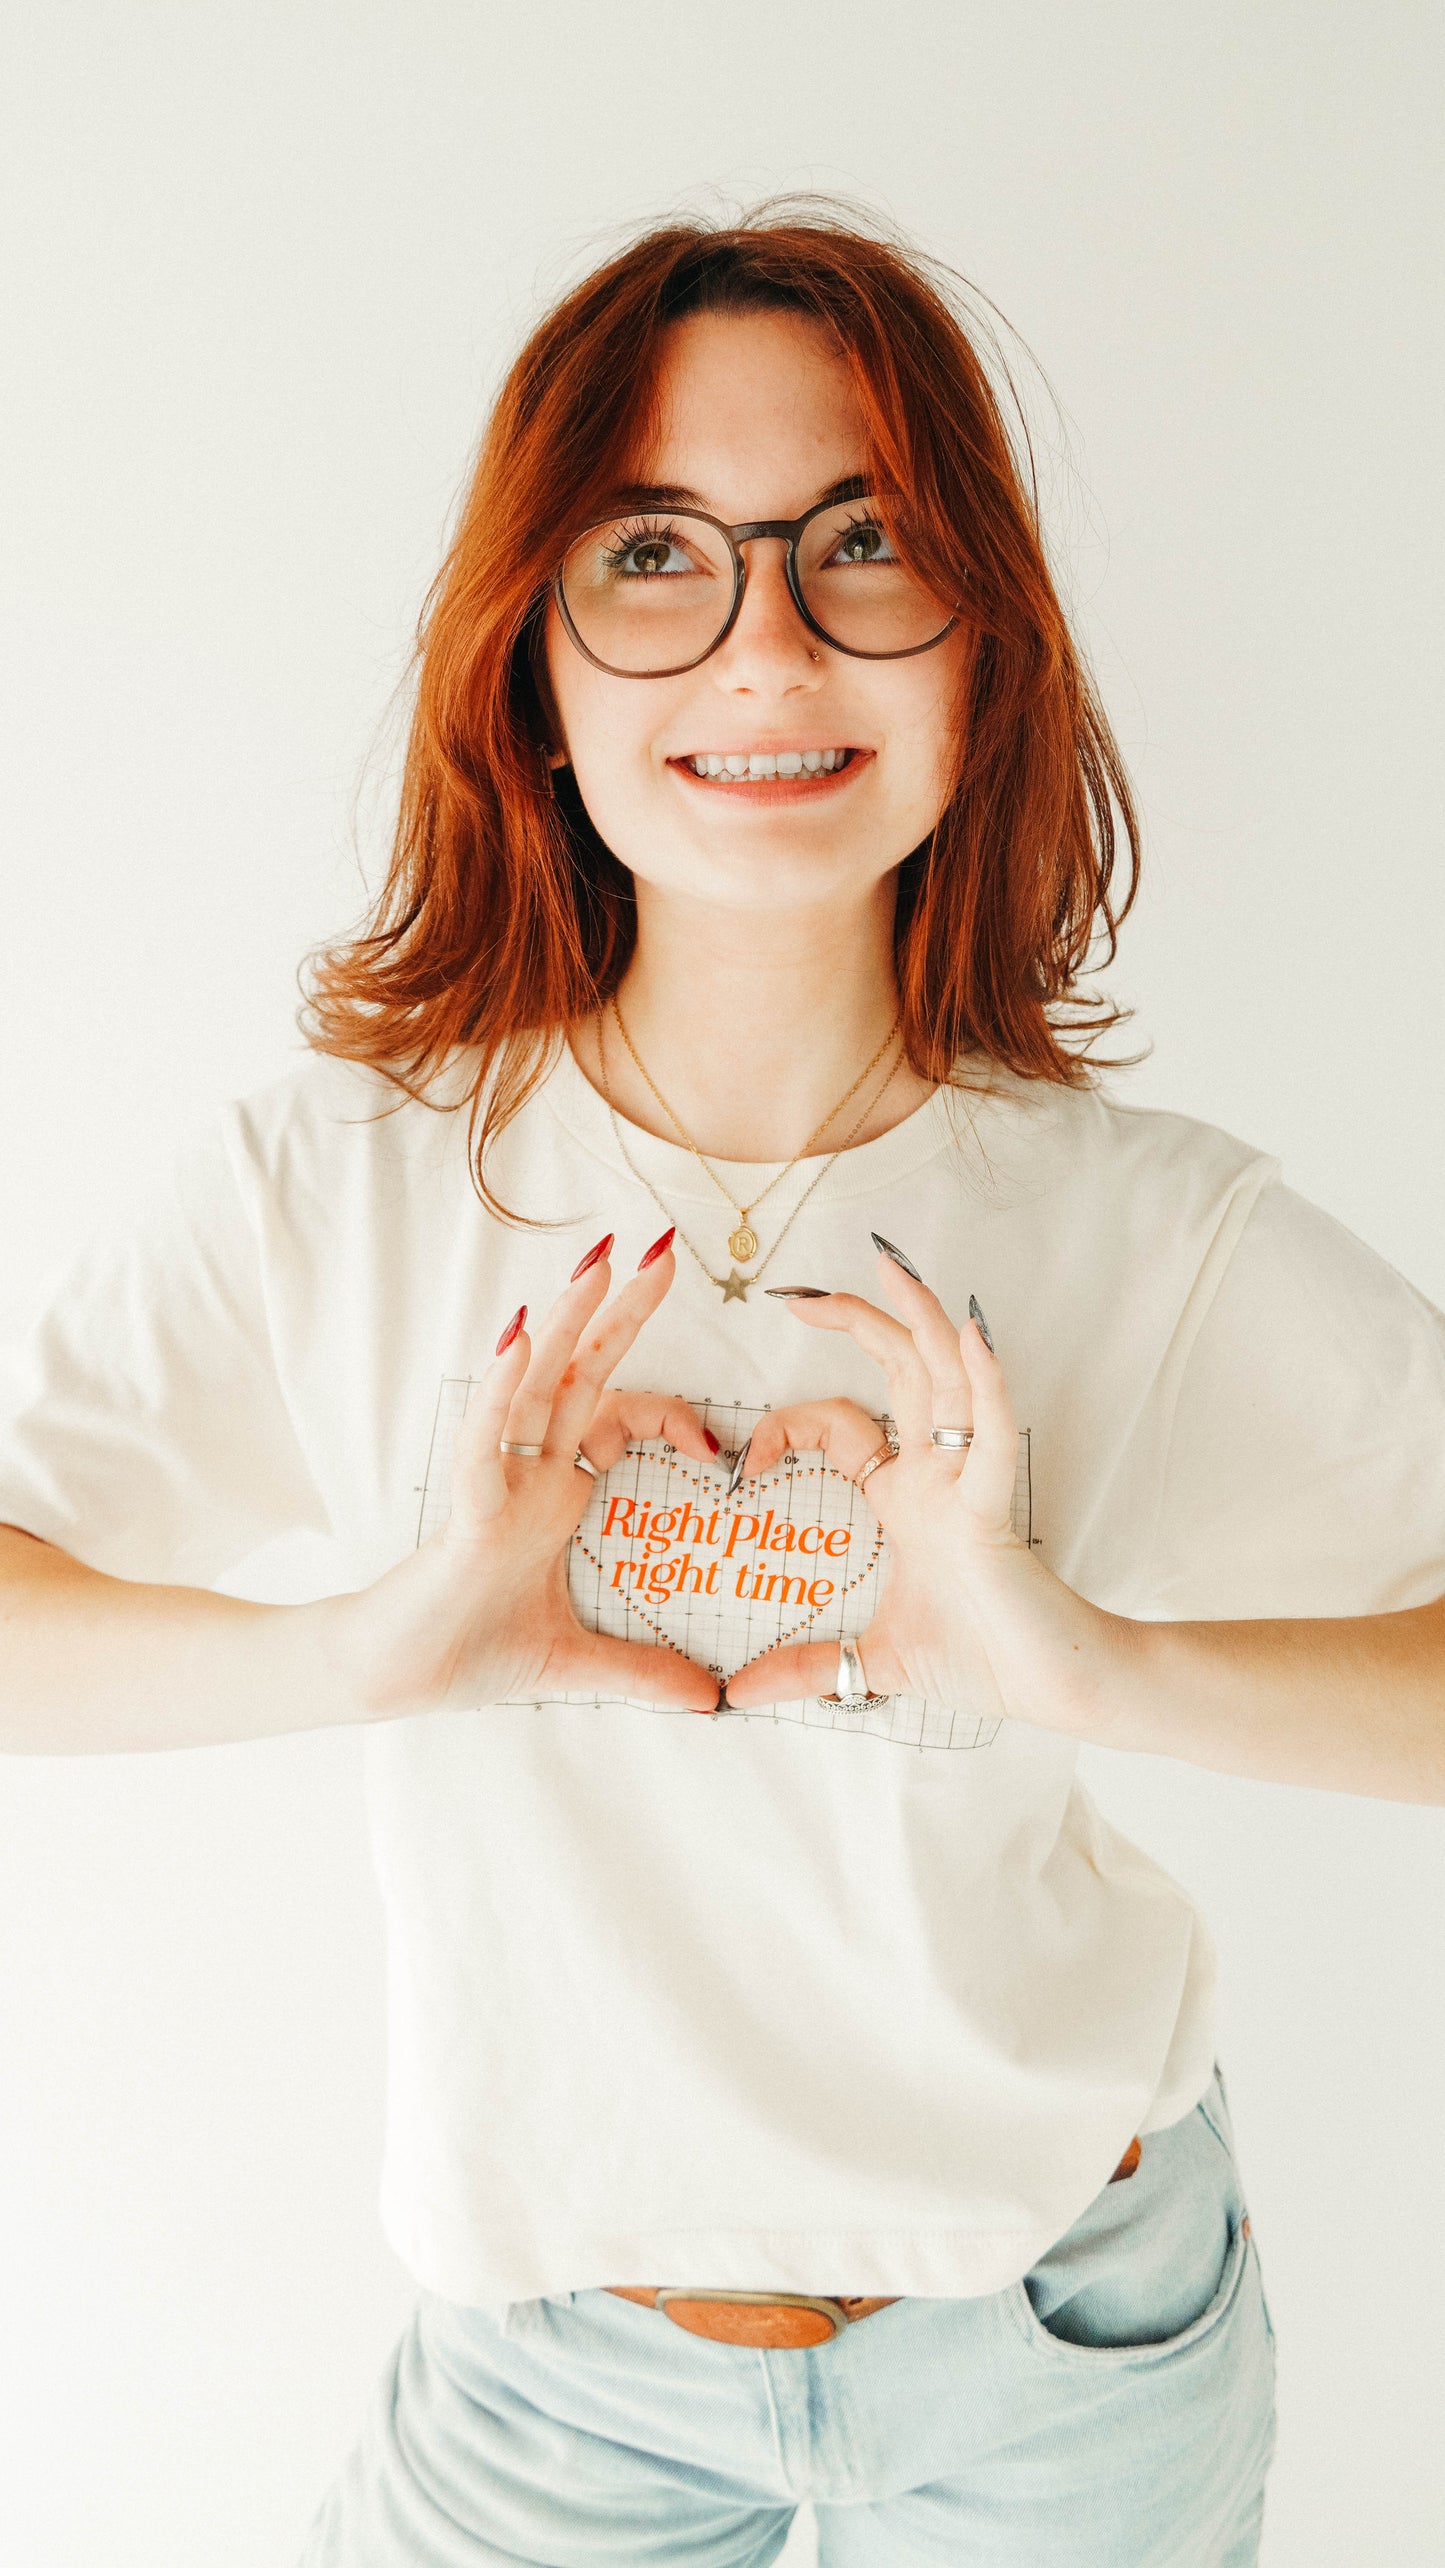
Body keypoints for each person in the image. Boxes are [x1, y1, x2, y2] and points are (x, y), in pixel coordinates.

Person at [3, 205, 1443, 2567]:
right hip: (551, 2380)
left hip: (1063, 2349)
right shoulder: (332, 1191)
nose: (769, 642)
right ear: (534, 662)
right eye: (657, 553)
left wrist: (1087, 1664)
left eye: (861, 542)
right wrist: (380, 1643)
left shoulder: (1149, 1232)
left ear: (983, 642)